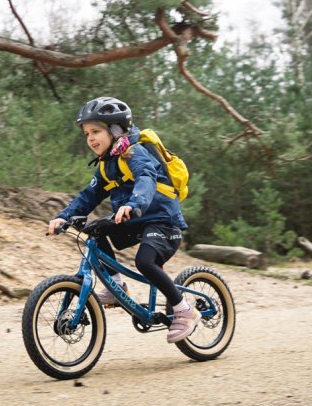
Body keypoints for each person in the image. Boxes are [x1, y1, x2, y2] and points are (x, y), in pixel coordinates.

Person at [47, 96, 200, 344]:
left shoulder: (134, 153)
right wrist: (63, 217)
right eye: (87, 134)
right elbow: (89, 196)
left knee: (145, 262)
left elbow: (146, 179)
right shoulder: (107, 166)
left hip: (162, 220)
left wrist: (133, 204)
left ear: (116, 130)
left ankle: (184, 309)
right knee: (93, 231)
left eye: (96, 131)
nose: (91, 139)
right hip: (135, 220)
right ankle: (116, 288)